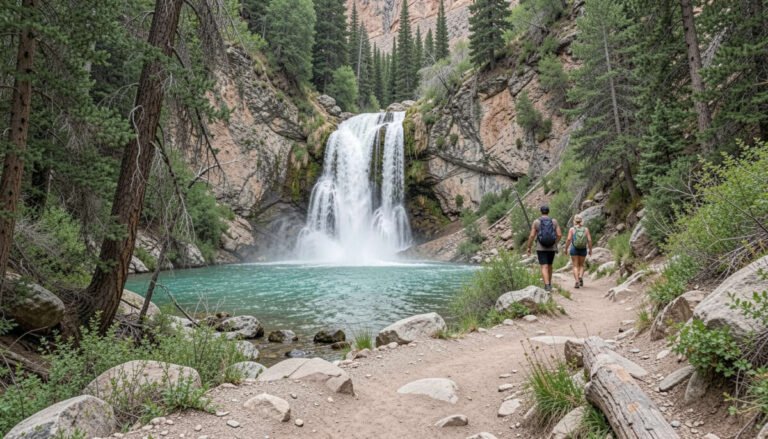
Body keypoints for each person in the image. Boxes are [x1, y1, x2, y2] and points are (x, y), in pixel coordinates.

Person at [526, 205, 562, 292]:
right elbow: (559, 234)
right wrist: (555, 242)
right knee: (549, 266)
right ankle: (549, 283)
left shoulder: (536, 222)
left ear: (541, 212)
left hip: (540, 248)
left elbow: (531, 236)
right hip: (552, 247)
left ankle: (546, 286)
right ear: (548, 212)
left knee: (544, 266)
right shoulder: (554, 221)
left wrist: (529, 247)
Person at [564, 214, 593, 289]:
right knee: (581, 265)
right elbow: (589, 240)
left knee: (575, 266)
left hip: (574, 249)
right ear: (581, 221)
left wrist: (566, 248)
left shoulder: (572, 229)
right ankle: (580, 277)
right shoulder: (586, 229)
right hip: (583, 249)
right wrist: (590, 250)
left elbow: (569, 239)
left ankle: (577, 281)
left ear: (574, 221)